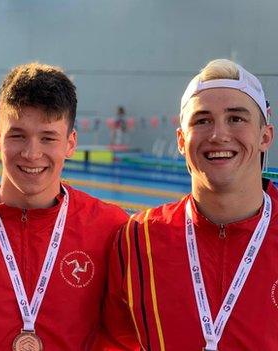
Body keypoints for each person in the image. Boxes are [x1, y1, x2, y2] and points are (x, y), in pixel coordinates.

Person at [0, 62, 134, 350]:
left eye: (48, 138)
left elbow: (124, 335)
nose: (32, 153)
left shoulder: (110, 227)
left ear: (70, 143)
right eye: (17, 135)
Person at [103, 59, 277, 350]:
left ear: (265, 136)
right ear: (182, 141)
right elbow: (113, 341)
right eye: (202, 120)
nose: (218, 134)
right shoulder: (138, 239)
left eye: (236, 118)